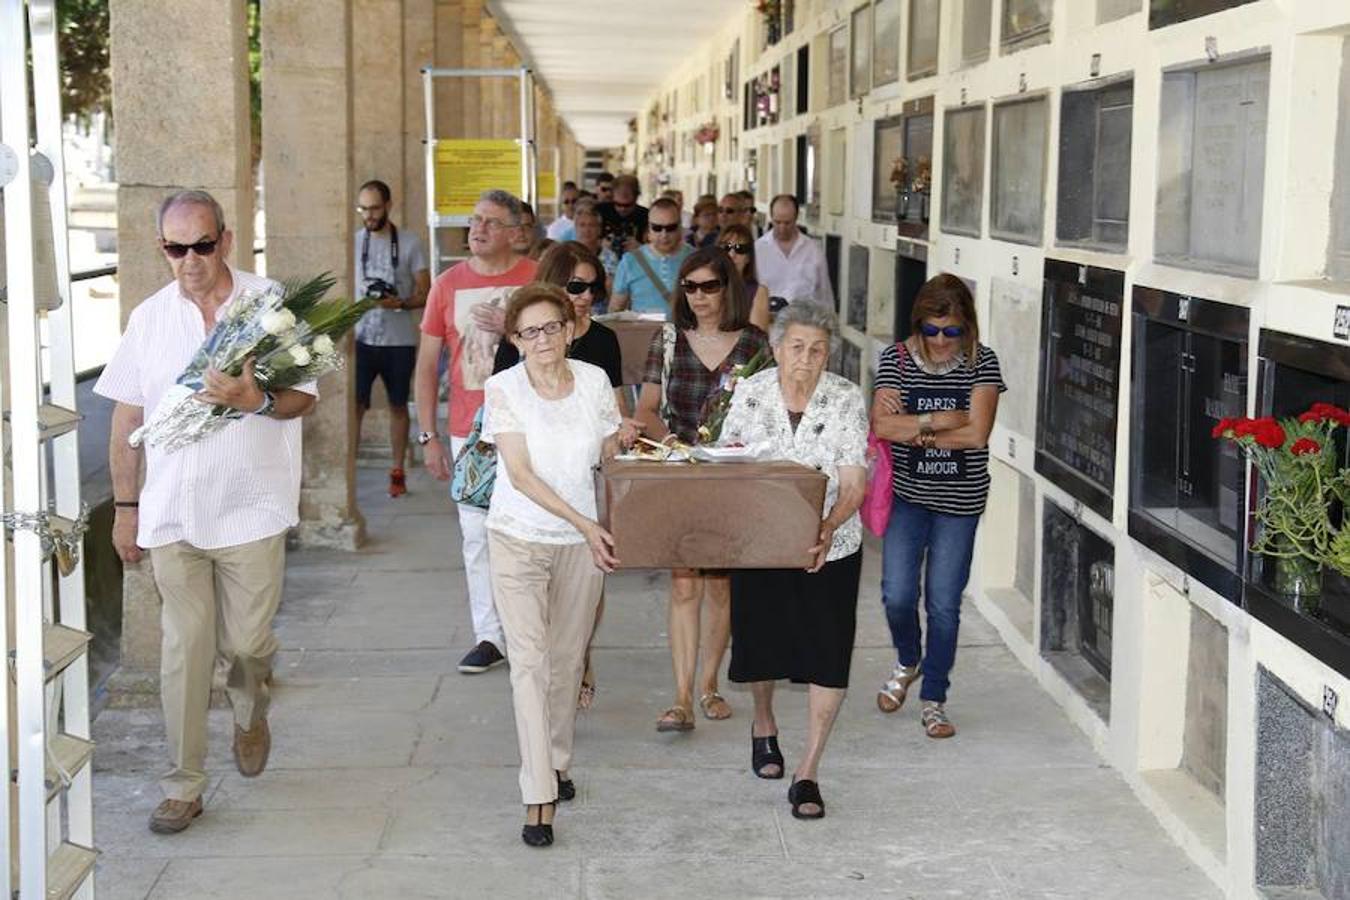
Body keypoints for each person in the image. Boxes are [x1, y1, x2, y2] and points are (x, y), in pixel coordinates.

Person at [97, 190, 319, 834]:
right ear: (160, 249)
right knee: (183, 651)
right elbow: (127, 418)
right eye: (175, 248)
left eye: (201, 245)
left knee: (247, 648)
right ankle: (182, 784)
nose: (189, 260)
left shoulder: (271, 304)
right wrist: (125, 509)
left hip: (251, 508)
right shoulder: (148, 319)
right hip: (172, 515)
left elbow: (303, 397)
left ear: (225, 239)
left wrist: (254, 398)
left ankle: (250, 713)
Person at [481, 283, 636, 847]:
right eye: (529, 332)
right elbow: (520, 474)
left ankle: (558, 761)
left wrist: (622, 437)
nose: (542, 339)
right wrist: (585, 522)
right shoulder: (502, 389)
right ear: (515, 341)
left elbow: (605, 453)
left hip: (580, 545)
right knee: (529, 664)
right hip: (518, 537)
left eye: (552, 327)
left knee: (568, 662)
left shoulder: (593, 381)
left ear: (570, 330)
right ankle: (537, 793)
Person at [721, 301, 867, 820]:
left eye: (819, 349)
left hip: (833, 545)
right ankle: (764, 721)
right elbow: (730, 463)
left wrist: (825, 529)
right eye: (798, 347)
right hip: (761, 544)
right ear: (778, 349)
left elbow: (854, 482)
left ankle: (808, 772)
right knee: (761, 643)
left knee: (828, 650)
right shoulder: (752, 392)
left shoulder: (846, 398)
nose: (807, 359)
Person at [635, 247, 770, 732]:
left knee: (722, 586)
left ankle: (711, 684)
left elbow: (769, 412)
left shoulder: (754, 342)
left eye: (709, 286)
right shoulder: (668, 340)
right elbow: (646, 408)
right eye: (689, 287)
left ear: (728, 288)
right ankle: (681, 697)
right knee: (685, 582)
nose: (699, 297)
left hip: (733, 478)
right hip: (682, 475)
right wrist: (672, 443)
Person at [871, 273, 1005, 738]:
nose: (943, 341)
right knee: (898, 595)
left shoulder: (983, 363)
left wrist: (916, 428)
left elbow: (976, 434)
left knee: (944, 604)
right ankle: (909, 658)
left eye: (953, 332)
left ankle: (934, 697)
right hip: (909, 499)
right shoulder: (897, 360)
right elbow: (882, 428)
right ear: (919, 324)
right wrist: (937, 419)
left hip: (959, 504)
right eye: (932, 331)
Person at [416, 189, 538, 676]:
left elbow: (569, 340)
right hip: (472, 430)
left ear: (514, 232)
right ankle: (489, 634)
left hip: (534, 424)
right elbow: (427, 366)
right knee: (476, 533)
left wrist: (511, 325)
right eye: (474, 219)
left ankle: (530, 626)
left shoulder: (536, 279)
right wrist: (429, 436)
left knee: (532, 529)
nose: (478, 228)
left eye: (490, 221)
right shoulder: (447, 285)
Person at [352, 179, 431, 498]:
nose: (369, 215)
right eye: (363, 209)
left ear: (388, 206)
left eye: (374, 208)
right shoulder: (354, 241)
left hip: (399, 340)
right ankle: (350, 470)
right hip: (361, 336)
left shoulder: (410, 242)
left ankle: (397, 470)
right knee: (355, 406)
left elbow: (425, 293)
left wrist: (399, 302)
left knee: (398, 406)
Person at [610, 197, 690, 316]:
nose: (664, 235)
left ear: (680, 227)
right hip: (643, 333)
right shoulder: (629, 261)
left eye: (670, 228)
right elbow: (615, 309)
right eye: (657, 228)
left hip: (687, 333)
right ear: (649, 228)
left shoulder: (696, 259)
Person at [755, 194, 833, 307]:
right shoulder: (758, 249)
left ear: (796, 218)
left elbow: (824, 294)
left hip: (804, 320)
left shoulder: (813, 250)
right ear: (771, 217)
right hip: (768, 320)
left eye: (787, 223)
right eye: (777, 222)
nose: (782, 228)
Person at [717, 223, 771, 329]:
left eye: (740, 249)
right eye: (726, 247)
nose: (732, 254)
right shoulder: (704, 286)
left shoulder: (758, 292)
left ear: (748, 258)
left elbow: (756, 340)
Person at [572, 199, 619, 302]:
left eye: (592, 225)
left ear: (599, 229)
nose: (587, 230)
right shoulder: (568, 254)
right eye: (582, 225)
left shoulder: (610, 257)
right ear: (575, 228)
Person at [597, 174, 648, 262]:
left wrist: (641, 248)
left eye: (627, 205)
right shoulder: (600, 211)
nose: (622, 209)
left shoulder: (645, 216)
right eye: (618, 204)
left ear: (636, 199)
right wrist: (600, 243)